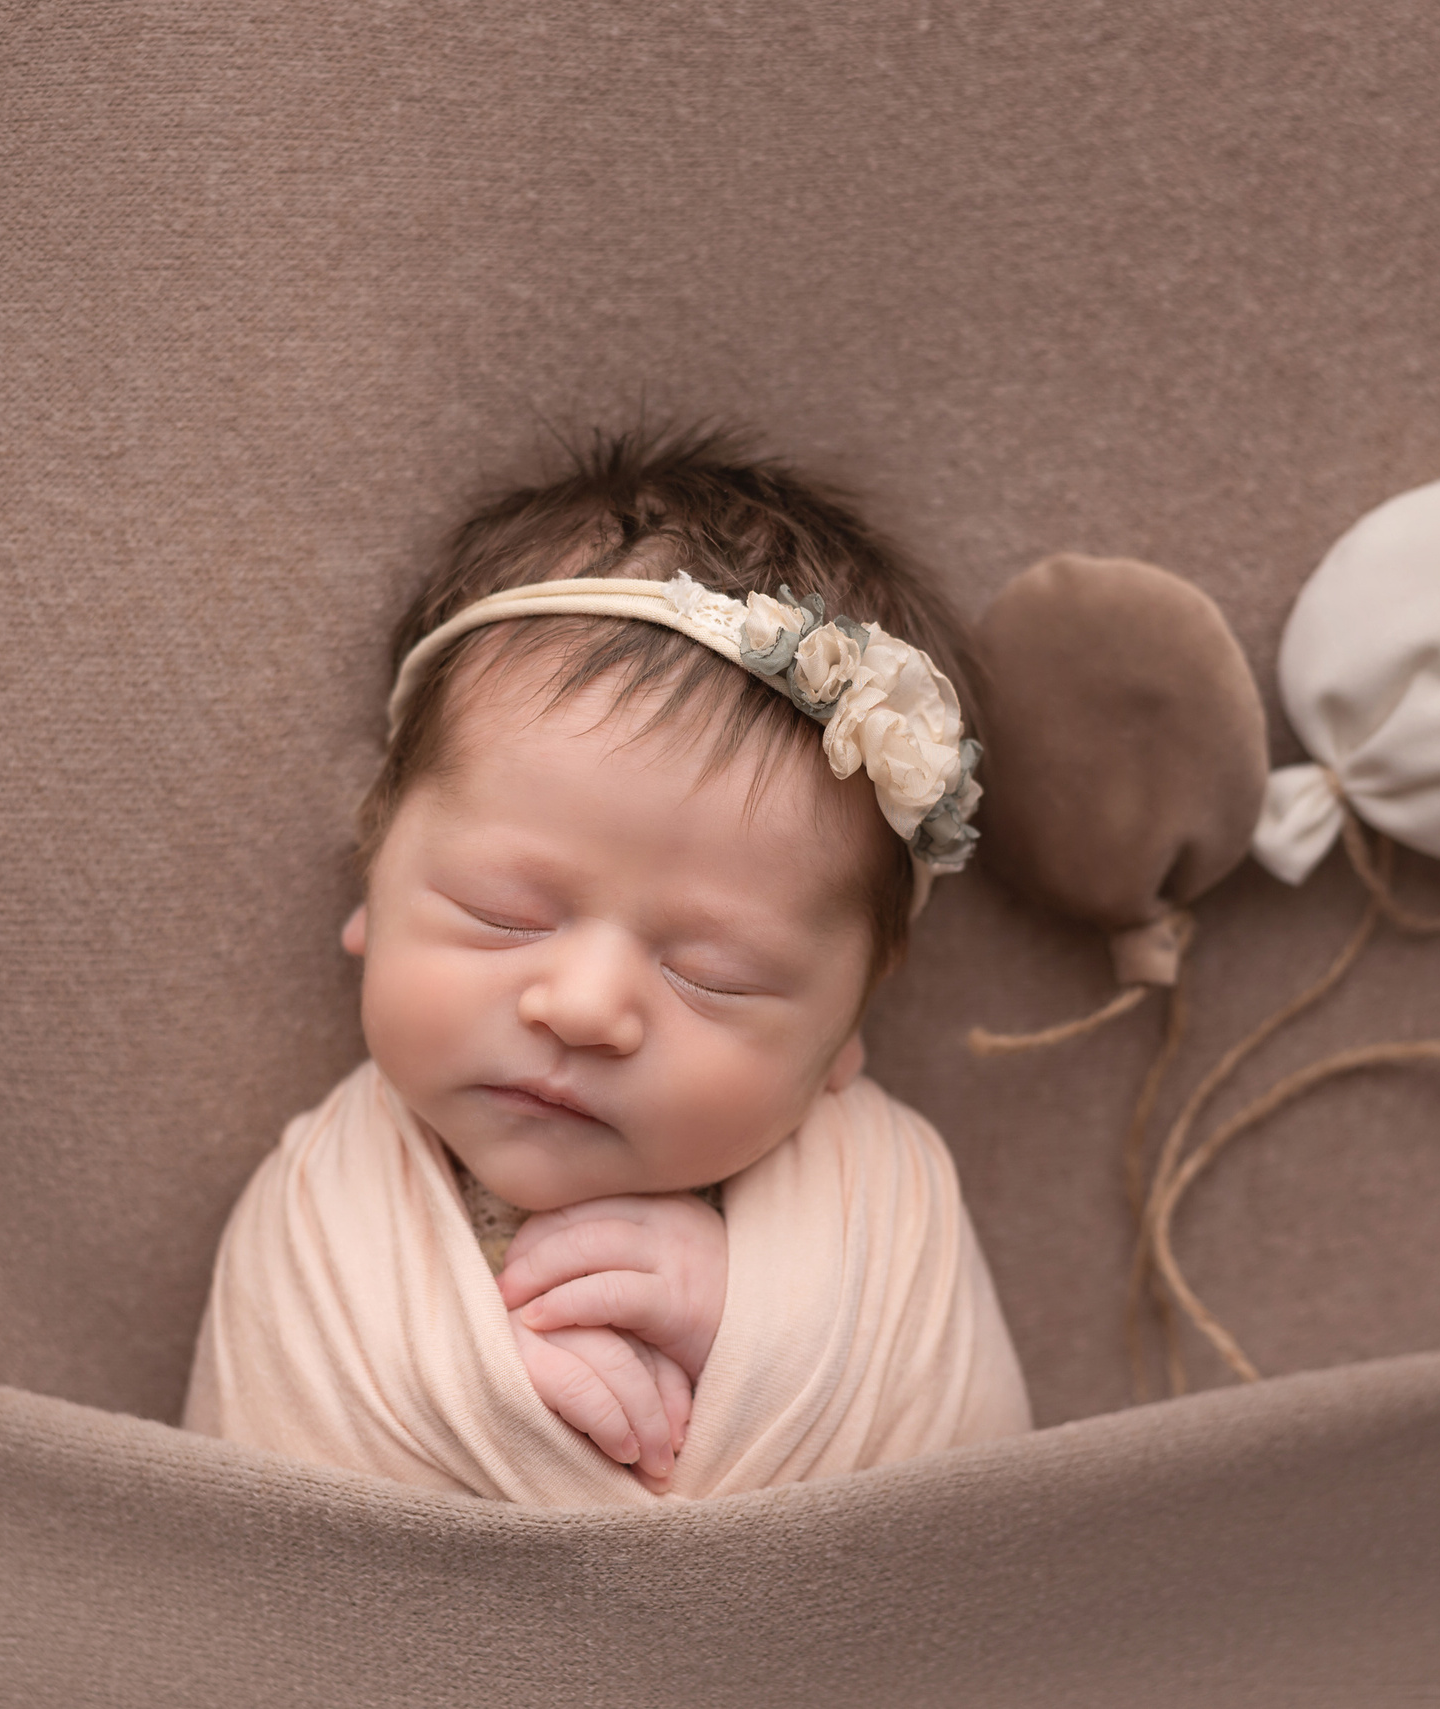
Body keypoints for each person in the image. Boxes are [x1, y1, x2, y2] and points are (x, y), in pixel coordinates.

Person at [183, 429, 1030, 1504]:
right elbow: (249, 1529)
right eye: (503, 913)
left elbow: (968, 1517)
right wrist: (484, 1400)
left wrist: (748, 1336)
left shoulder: (883, 1211)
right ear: (373, 882)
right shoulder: (321, 1209)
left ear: (845, 1029)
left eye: (716, 975)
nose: (583, 1007)